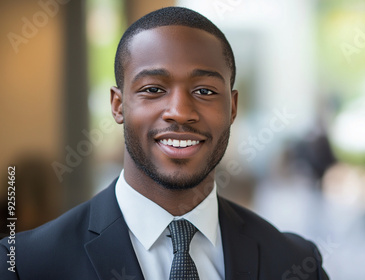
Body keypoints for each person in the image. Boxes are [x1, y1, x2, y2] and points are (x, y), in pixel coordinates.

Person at [1, 6, 329, 280]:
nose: (180, 112)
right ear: (118, 106)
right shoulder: (25, 265)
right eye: (153, 89)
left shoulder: (295, 263)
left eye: (204, 91)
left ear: (233, 107)